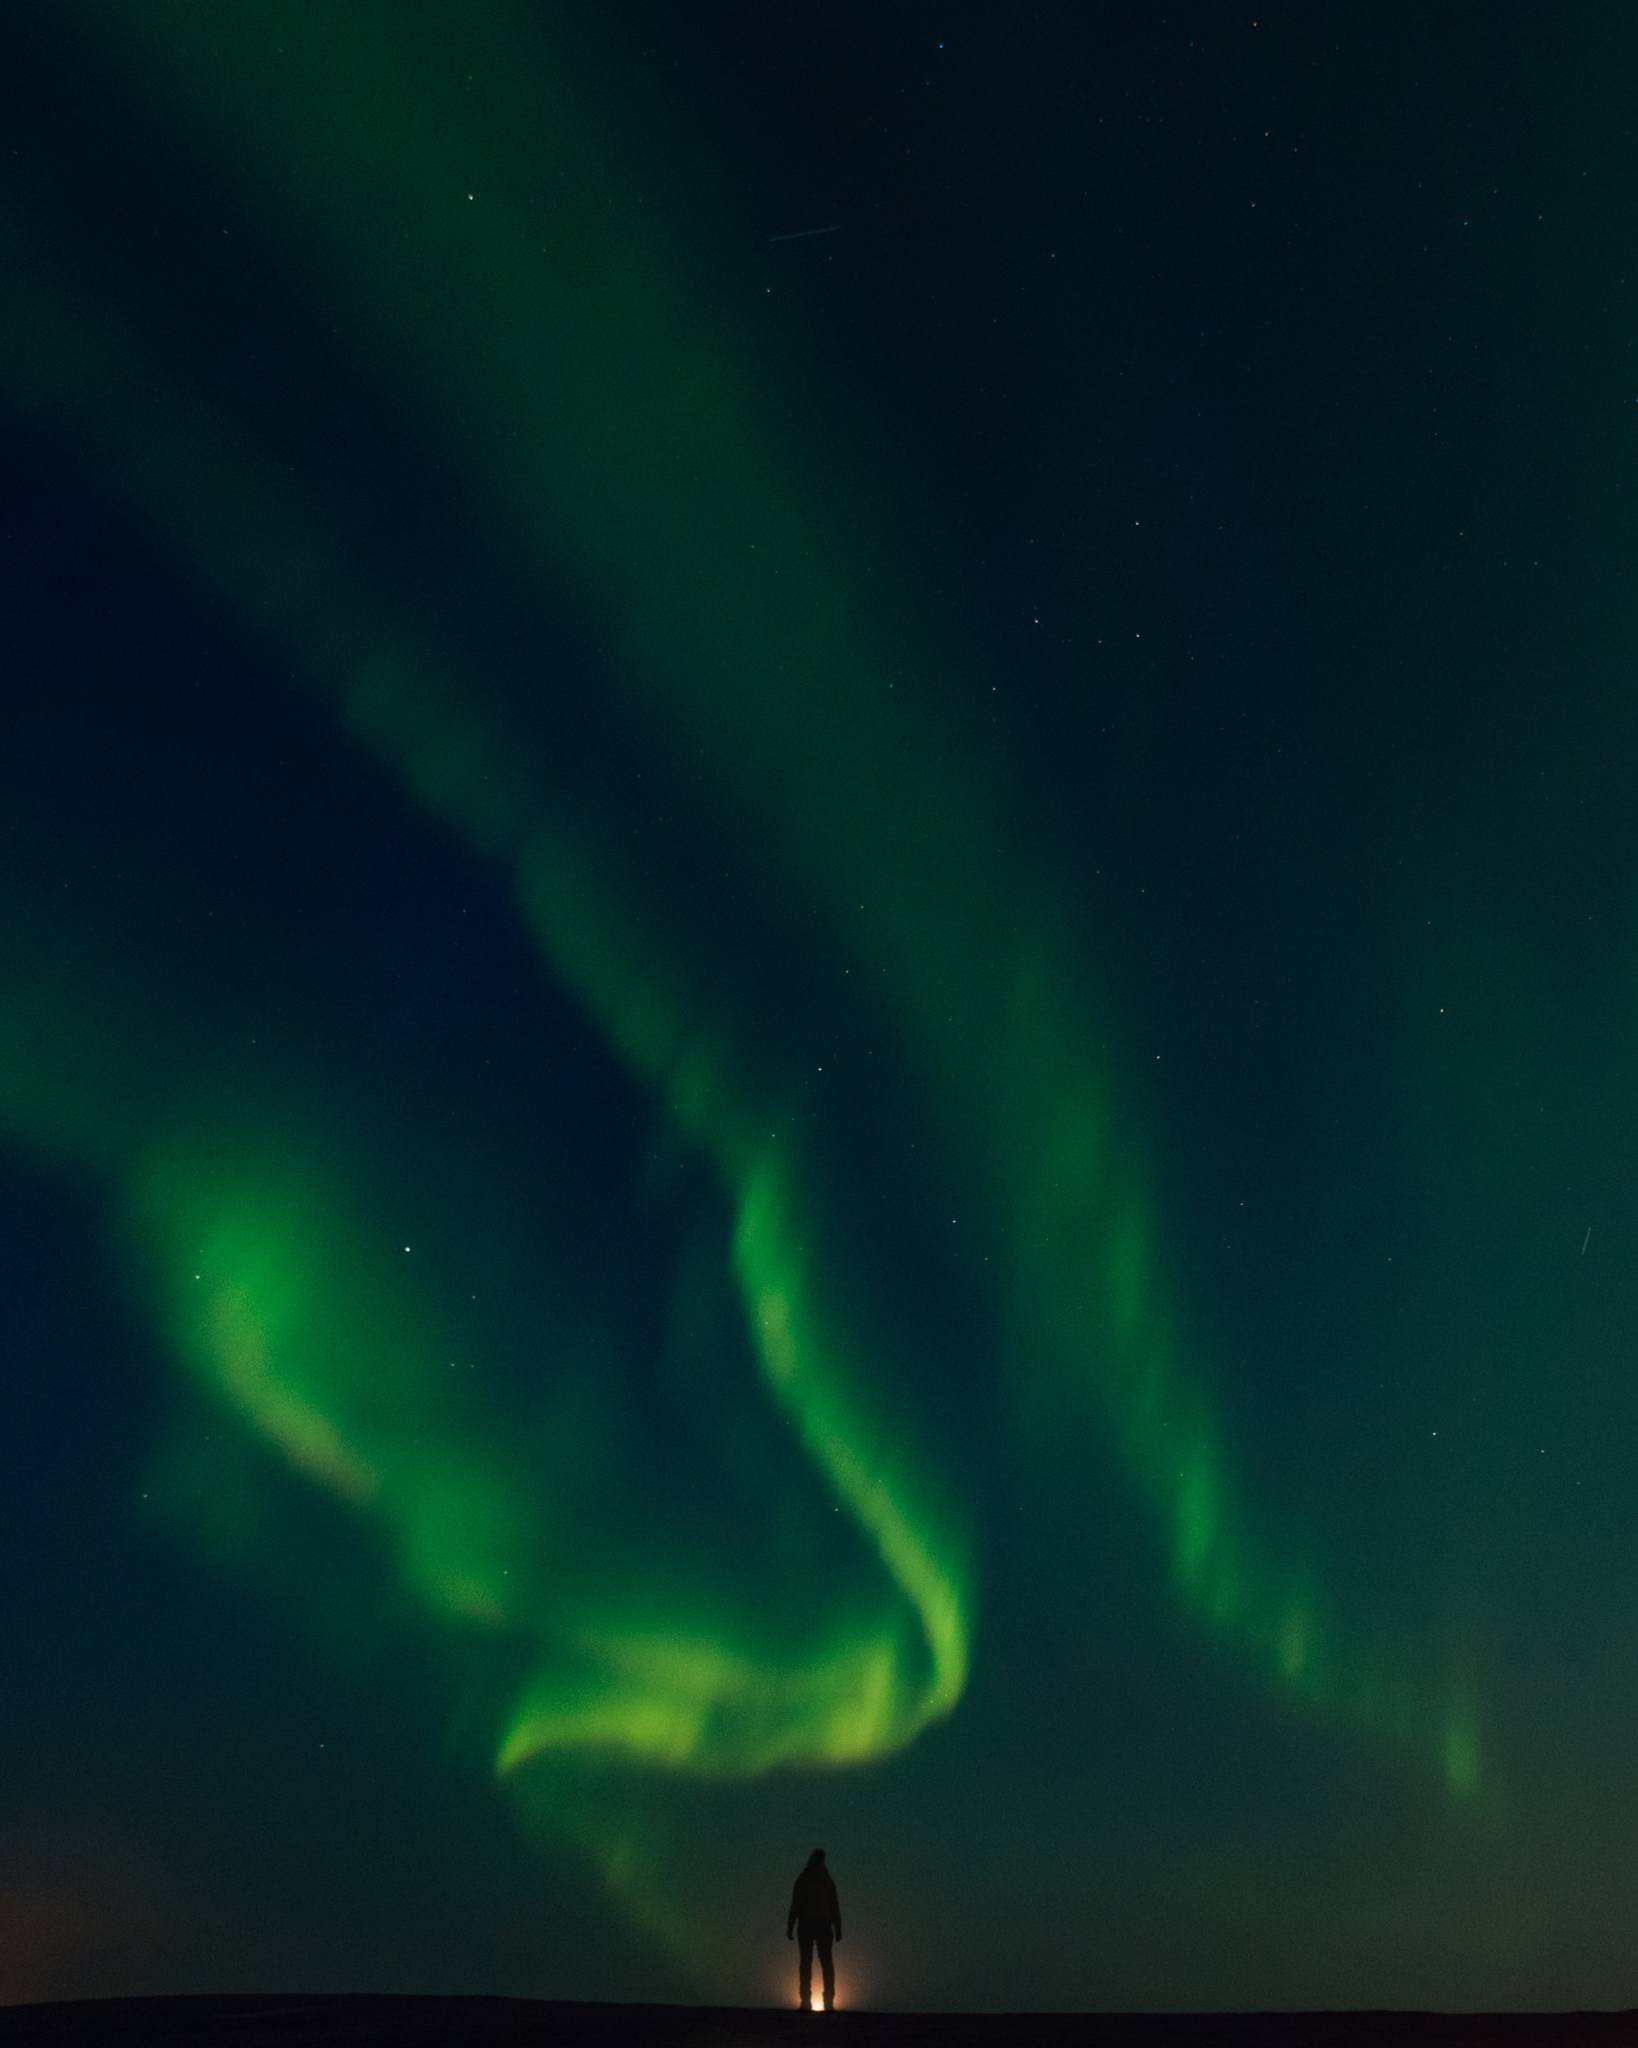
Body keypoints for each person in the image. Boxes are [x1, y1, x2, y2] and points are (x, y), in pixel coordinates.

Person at [785, 1847, 842, 2011]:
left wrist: (790, 1926)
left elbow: (795, 1904)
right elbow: (834, 1905)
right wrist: (838, 1927)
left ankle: (807, 2002)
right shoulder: (826, 1880)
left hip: (808, 1924)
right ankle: (827, 2003)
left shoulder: (805, 1878)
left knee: (806, 1963)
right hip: (821, 1924)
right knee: (825, 1963)